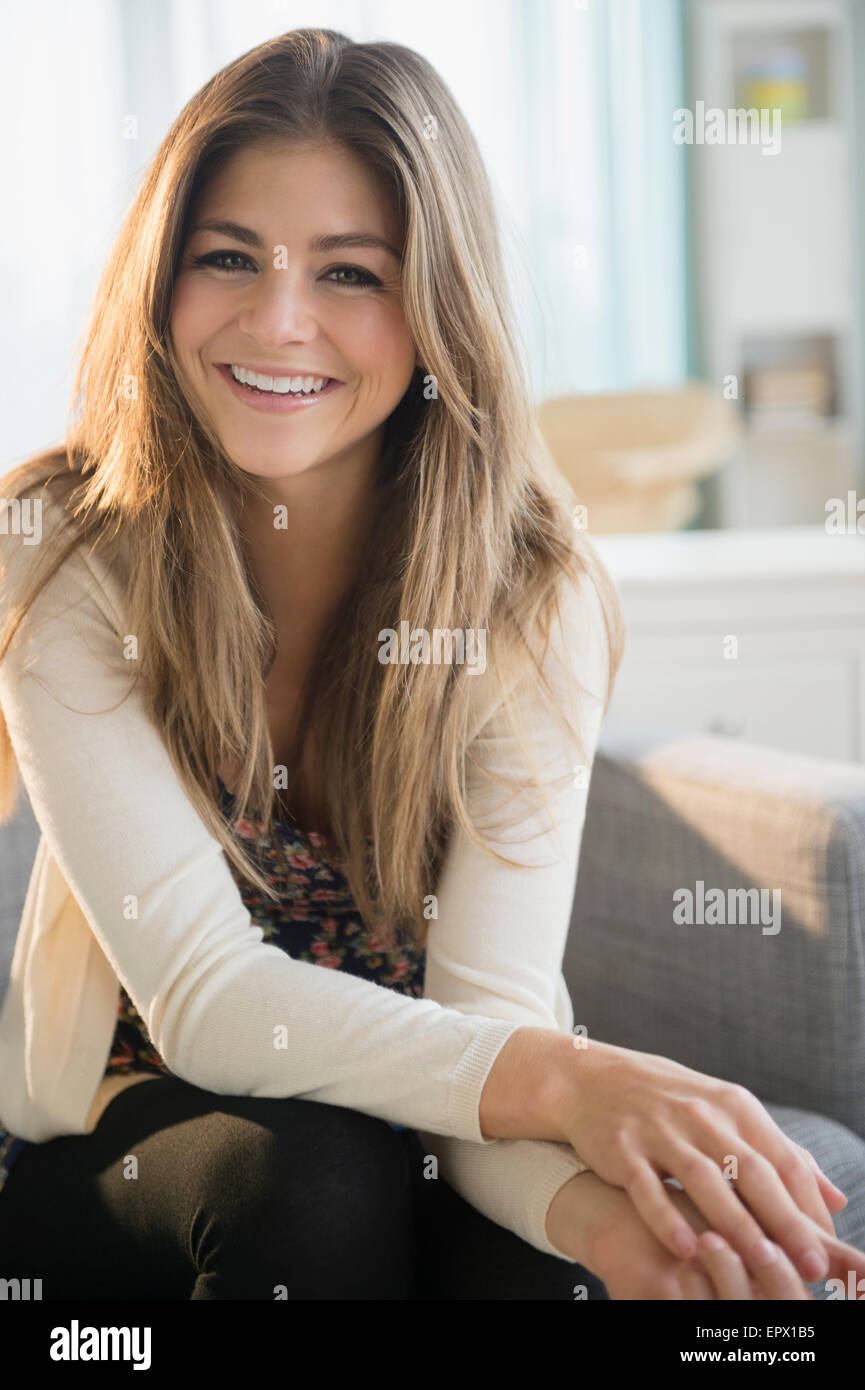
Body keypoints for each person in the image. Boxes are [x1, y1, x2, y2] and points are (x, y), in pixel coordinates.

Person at [0, 27, 862, 1302]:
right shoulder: (62, 548)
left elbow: (483, 1016)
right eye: (227, 256)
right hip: (135, 1141)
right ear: (160, 282)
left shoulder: (531, 591)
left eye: (351, 272)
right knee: (313, 1181)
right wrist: (572, 1078)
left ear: (436, 309)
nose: (278, 320)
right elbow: (207, 999)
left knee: (564, 1268)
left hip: (424, 1121)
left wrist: (606, 1228)